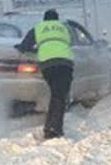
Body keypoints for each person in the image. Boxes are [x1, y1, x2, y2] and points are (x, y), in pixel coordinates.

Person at [16, 9, 74, 140]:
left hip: (48, 65)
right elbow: (69, 43)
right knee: (59, 96)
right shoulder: (64, 28)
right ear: (56, 19)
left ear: (45, 19)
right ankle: (53, 130)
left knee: (56, 95)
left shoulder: (38, 28)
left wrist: (36, 49)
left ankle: (51, 128)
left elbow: (24, 46)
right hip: (65, 63)